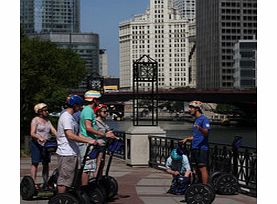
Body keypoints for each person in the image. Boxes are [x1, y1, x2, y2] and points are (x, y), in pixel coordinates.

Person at [56, 95, 98, 193]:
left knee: (72, 179)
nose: (80, 108)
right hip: (66, 153)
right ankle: (61, 198)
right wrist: (88, 141)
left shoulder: (71, 117)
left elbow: (77, 134)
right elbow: (70, 135)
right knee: (64, 179)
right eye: (79, 106)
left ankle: (69, 197)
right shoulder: (66, 117)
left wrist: (91, 140)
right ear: (75, 105)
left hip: (73, 152)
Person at [79, 90, 116, 186]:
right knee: (86, 168)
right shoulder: (88, 110)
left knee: (89, 167)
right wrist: (104, 135)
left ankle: (88, 189)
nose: (99, 101)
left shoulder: (88, 110)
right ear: (94, 100)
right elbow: (88, 127)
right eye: (98, 99)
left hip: (91, 141)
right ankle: (84, 190)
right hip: (87, 142)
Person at [180, 101, 211, 184]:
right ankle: (198, 185)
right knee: (196, 168)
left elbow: (206, 132)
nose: (190, 109)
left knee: (202, 168)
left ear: (197, 109)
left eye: (191, 108)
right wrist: (187, 139)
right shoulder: (196, 120)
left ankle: (205, 187)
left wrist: (200, 128)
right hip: (194, 147)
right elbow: (196, 136)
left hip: (202, 148)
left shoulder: (204, 119)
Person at [30, 103, 57, 189]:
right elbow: (32, 133)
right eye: (45, 110)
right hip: (36, 144)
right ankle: (32, 183)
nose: (47, 112)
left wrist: (60, 137)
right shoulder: (35, 120)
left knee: (46, 163)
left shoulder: (48, 121)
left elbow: (53, 130)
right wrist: (39, 137)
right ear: (39, 111)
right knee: (35, 163)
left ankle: (45, 182)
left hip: (46, 145)